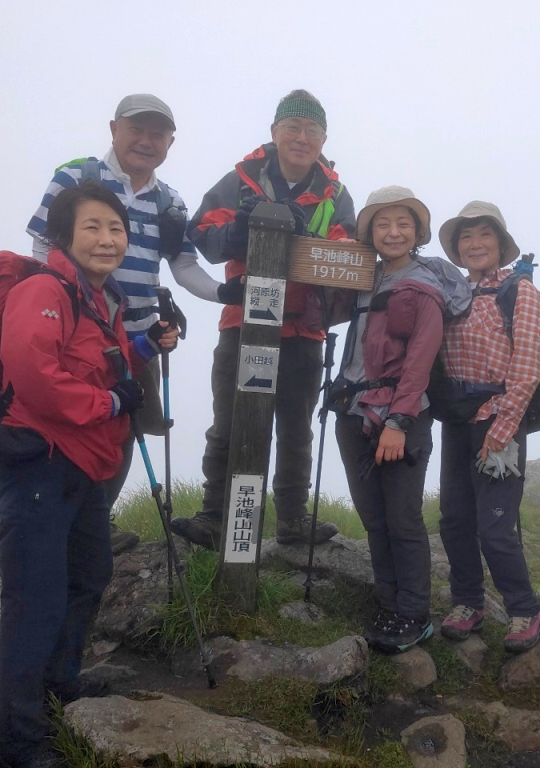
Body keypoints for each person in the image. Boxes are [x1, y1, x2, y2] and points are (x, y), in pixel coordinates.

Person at [0, 181, 178, 768]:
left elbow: (109, 368)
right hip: (38, 467)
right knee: (36, 602)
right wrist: (115, 406)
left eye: (116, 228)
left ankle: (58, 689)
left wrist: (148, 345)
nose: (107, 238)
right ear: (64, 235)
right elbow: (37, 376)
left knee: (88, 579)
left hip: (81, 472)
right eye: (93, 227)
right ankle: (19, 744)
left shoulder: (100, 300)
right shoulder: (43, 290)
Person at [26, 93, 240, 553]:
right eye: (136, 129)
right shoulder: (75, 177)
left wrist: (223, 293)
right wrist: (58, 307)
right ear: (113, 129)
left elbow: (183, 267)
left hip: (137, 338)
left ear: (170, 141)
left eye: (157, 133)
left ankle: (96, 520)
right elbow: (43, 250)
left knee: (126, 428)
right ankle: (66, 521)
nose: (146, 140)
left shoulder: (170, 202)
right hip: (77, 330)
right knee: (70, 420)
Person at [171, 89, 356, 550]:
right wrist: (238, 231)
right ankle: (216, 515)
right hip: (242, 321)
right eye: (292, 127)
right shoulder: (241, 179)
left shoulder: (336, 192)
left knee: (295, 427)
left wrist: (301, 233)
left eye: (312, 130)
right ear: (274, 133)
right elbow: (203, 236)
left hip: (304, 330)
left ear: (323, 138)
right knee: (230, 423)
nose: (301, 136)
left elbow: (343, 255)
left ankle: (292, 519)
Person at [332, 186, 469, 653]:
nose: (393, 232)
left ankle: (413, 614)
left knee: (403, 519)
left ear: (417, 232)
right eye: (383, 223)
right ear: (370, 231)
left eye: (403, 224)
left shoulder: (422, 284)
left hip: (397, 419)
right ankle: (389, 604)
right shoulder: (364, 278)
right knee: (374, 518)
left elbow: (420, 358)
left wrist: (398, 421)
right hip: (352, 413)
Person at [434, 201, 540, 653]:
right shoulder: (451, 293)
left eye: (485, 235)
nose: (475, 244)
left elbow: (529, 364)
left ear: (500, 244)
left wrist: (504, 426)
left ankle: (524, 609)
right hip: (458, 420)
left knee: (495, 525)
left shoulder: (520, 292)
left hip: (498, 418)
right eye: (466, 237)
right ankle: (468, 602)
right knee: (455, 519)